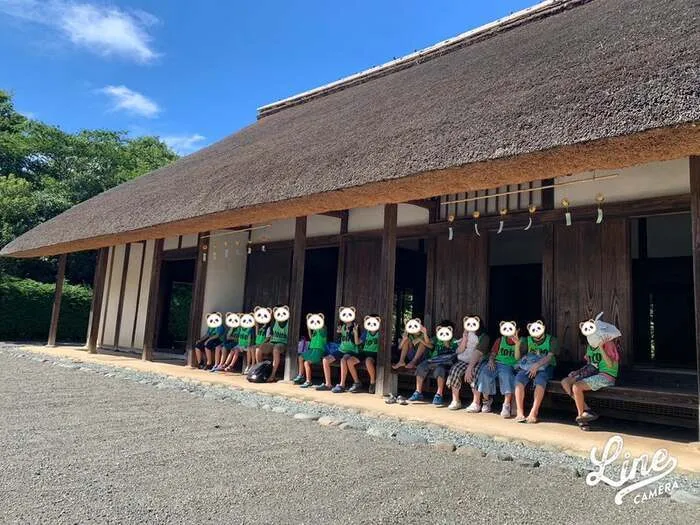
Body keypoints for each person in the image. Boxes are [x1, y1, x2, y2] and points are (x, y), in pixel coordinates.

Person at [561, 312, 621, 428]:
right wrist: (578, 372)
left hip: (606, 375)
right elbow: (590, 364)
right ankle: (587, 410)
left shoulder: (608, 343)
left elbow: (609, 365)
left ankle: (582, 418)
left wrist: (601, 348)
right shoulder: (589, 346)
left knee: (576, 387)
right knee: (565, 382)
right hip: (593, 373)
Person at [470, 320, 522, 416]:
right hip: (497, 362)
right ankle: (486, 400)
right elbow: (493, 353)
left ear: (517, 329)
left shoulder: (522, 341)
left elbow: (517, 358)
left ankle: (506, 405)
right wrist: (491, 360)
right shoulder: (500, 340)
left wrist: (517, 344)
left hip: (508, 365)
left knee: (506, 376)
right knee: (485, 372)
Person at [514, 320, 558, 423]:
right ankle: (519, 412)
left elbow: (549, 357)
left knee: (540, 380)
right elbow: (518, 358)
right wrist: (517, 344)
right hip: (528, 367)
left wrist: (537, 366)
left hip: (546, 367)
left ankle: (534, 412)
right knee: (519, 379)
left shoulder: (552, 340)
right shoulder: (526, 340)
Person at [445, 315, 490, 410]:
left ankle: (476, 402)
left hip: (479, 361)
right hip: (465, 359)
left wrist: (470, 368)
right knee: (455, 370)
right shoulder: (466, 335)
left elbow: (478, 353)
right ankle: (455, 400)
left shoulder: (484, 337)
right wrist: (464, 338)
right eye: (468, 323)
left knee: (475, 372)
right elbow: (459, 351)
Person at [408, 320, 456, 406]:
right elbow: (428, 343)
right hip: (433, 360)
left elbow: (456, 352)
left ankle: (439, 394)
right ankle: (418, 392)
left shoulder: (454, 341)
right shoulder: (436, 338)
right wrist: (425, 333)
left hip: (446, 363)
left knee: (440, 369)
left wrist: (446, 342)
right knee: (421, 366)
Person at [319, 307, 359, 392]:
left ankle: (342, 385)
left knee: (343, 360)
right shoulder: (343, 326)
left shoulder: (354, 327)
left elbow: (356, 343)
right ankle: (328, 384)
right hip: (341, 349)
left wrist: (354, 333)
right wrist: (340, 332)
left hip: (351, 351)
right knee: (325, 360)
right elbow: (343, 338)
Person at [344, 314, 381, 394]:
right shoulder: (366, 333)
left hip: (374, 354)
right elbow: (357, 342)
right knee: (349, 361)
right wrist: (355, 332)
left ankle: (372, 382)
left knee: (368, 361)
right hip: (364, 352)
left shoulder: (380, 333)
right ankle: (357, 382)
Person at [256, 305, 290, 382]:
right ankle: (261, 370)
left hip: (282, 343)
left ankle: (273, 375)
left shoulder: (288, 323)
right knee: (259, 349)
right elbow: (270, 335)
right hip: (272, 342)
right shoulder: (274, 322)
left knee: (276, 349)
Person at [299, 313, 327, 388]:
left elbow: (321, 325)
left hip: (318, 351)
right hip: (312, 350)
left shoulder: (322, 329)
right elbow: (311, 338)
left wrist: (320, 319)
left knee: (306, 363)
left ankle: (308, 381)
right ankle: (300, 375)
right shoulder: (315, 330)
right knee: (301, 357)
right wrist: (309, 327)